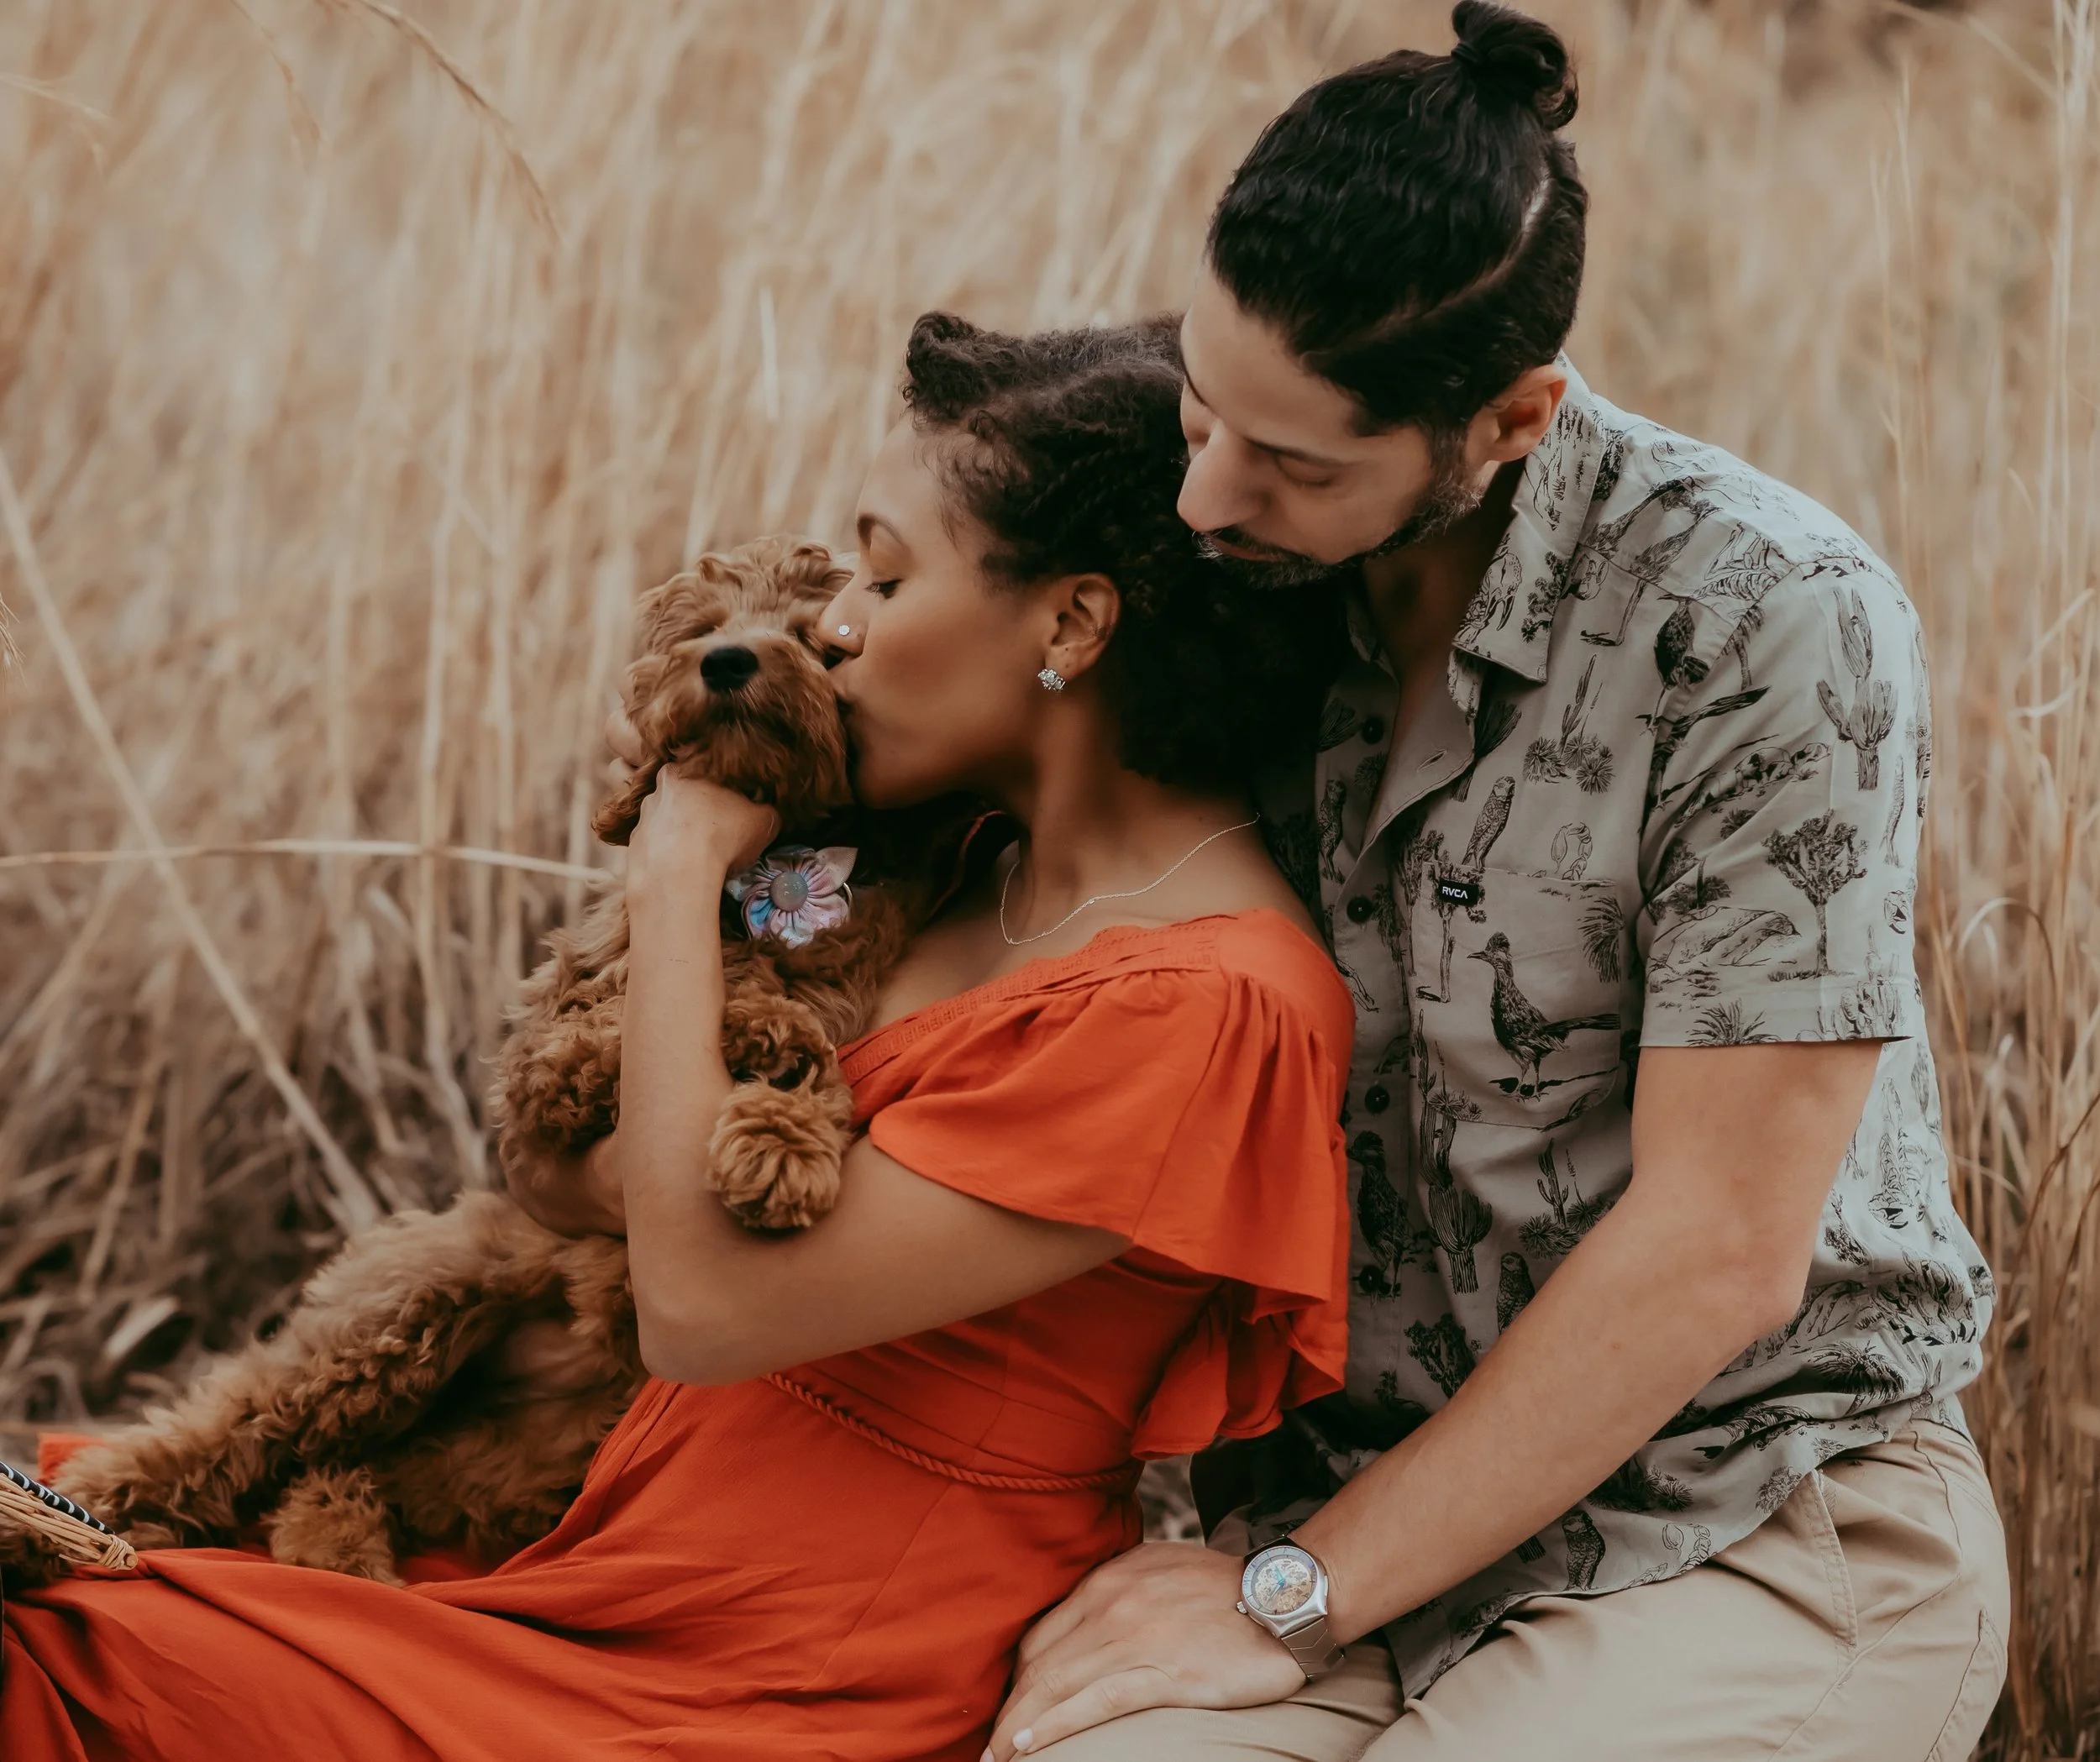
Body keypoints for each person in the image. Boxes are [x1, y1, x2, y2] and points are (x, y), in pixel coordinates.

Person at [1, 316, 1357, 1762]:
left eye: (887, 578)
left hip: (764, 1654)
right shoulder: (954, 859)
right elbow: (558, 1169)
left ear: (1073, 628)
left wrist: (673, 871)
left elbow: (703, 1304)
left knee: (65, 1660)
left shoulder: (1206, 1011)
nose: (836, 629)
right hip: (580, 1520)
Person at [995, 7, 2008, 1760]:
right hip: (1342, 1518)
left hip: (1754, 1510)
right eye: (1197, 405)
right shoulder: (1230, 577)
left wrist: (1278, 1596)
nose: (1203, 490)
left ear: (1511, 417)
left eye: (1294, 462)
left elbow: (1712, 1252)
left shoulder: (1764, 616)